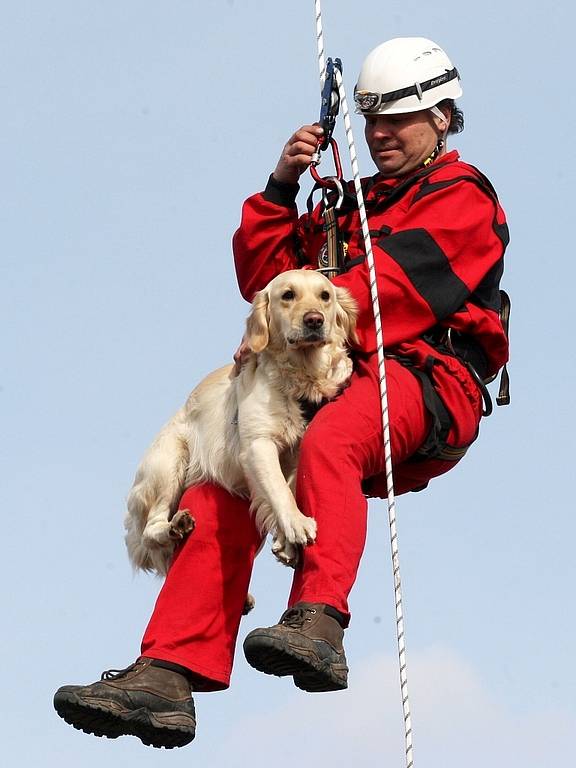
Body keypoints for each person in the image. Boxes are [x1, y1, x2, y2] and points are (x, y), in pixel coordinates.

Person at [53, 37, 509, 749]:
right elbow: (266, 276)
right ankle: (168, 673)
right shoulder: (346, 209)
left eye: (400, 120)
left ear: (444, 118)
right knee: (218, 488)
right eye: (373, 122)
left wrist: (309, 319)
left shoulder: (462, 198)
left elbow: (393, 291)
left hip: (421, 379)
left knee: (333, 435)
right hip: (320, 379)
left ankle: (318, 619)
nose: (382, 135)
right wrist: (279, 188)